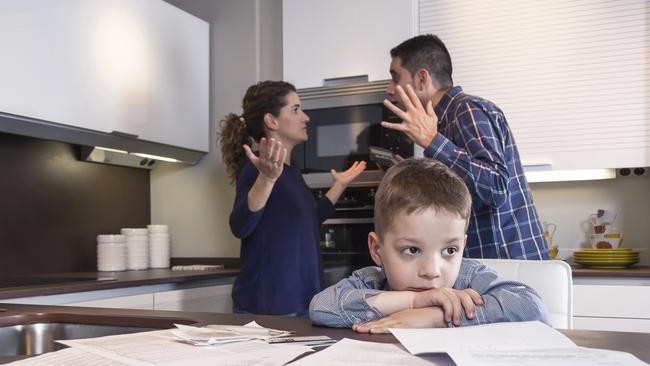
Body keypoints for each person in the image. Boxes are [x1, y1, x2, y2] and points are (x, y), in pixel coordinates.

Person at [309, 158, 550, 331]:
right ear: (377, 249)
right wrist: (413, 302)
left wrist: (436, 317)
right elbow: (321, 307)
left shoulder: (468, 276)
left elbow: (532, 307)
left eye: (449, 250)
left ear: (462, 248)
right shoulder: (372, 279)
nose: (432, 271)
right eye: (412, 250)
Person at [382, 34, 548, 259]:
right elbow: (462, 196)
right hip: (488, 266)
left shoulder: (466, 110)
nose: (390, 89)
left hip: (509, 266)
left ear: (422, 79)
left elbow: (496, 187)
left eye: (395, 78)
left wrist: (433, 141)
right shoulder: (441, 122)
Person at [219, 80, 366, 316]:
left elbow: (309, 218)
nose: (305, 118)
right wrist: (266, 179)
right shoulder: (256, 169)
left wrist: (339, 185)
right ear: (271, 121)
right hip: (270, 307)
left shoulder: (292, 170)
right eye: (295, 110)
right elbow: (240, 225)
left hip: (301, 301)